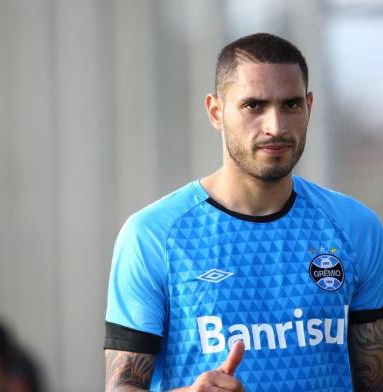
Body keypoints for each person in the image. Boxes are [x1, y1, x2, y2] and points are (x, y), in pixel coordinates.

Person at [104, 33, 383, 391]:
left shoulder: (356, 228)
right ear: (216, 112)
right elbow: (121, 384)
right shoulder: (153, 235)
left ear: (309, 107)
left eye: (291, 105)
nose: (276, 126)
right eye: (254, 105)